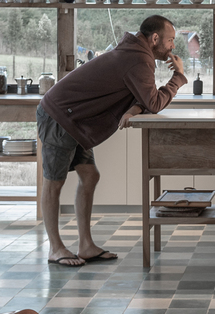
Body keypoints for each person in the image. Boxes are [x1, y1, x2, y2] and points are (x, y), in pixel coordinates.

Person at [37, 15, 186, 266]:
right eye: (170, 40)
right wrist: (178, 78)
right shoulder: (139, 59)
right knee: (53, 182)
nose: (173, 46)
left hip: (75, 120)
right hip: (60, 116)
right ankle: (55, 248)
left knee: (90, 175)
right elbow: (154, 102)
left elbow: (141, 96)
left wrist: (133, 109)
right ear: (155, 38)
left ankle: (86, 246)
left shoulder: (136, 53)